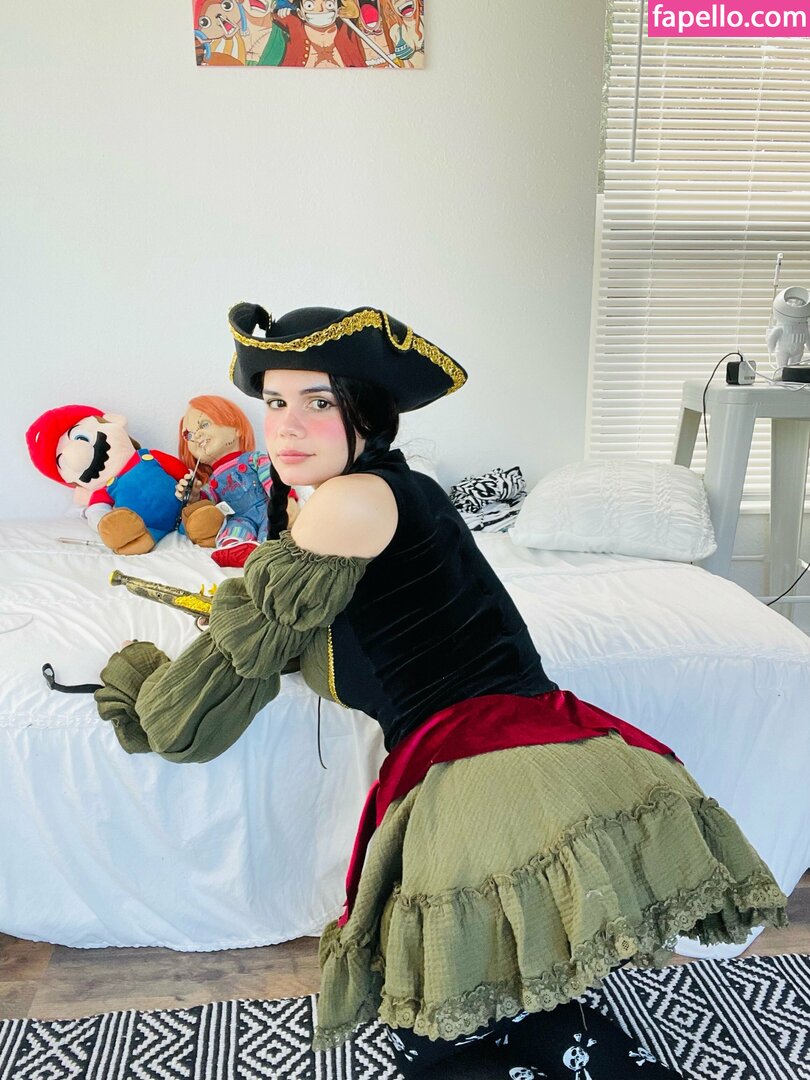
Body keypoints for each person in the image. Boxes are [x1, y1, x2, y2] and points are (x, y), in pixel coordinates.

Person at [95, 303, 787, 1078]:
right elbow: (317, 631)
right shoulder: (382, 490)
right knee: (479, 1010)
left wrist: (143, 693)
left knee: (436, 1039)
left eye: (318, 402)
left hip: (482, 766)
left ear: (365, 414)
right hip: (536, 733)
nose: (287, 426)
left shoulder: (349, 501)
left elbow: (217, 686)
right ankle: (553, 1032)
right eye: (276, 402)